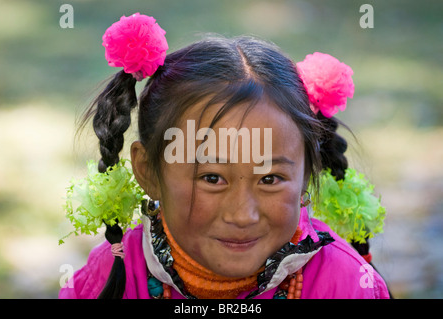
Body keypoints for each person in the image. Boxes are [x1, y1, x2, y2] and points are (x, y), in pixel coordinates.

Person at [59, 13, 390, 299]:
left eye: (270, 179)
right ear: (148, 172)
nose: (242, 215)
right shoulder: (113, 275)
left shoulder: (346, 283)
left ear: (306, 175)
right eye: (212, 178)